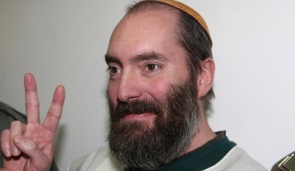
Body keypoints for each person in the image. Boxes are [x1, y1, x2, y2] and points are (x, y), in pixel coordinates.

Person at [1, 0, 268, 170]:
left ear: (202, 76)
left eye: (150, 66)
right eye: (115, 69)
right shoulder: (89, 166)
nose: (124, 91)